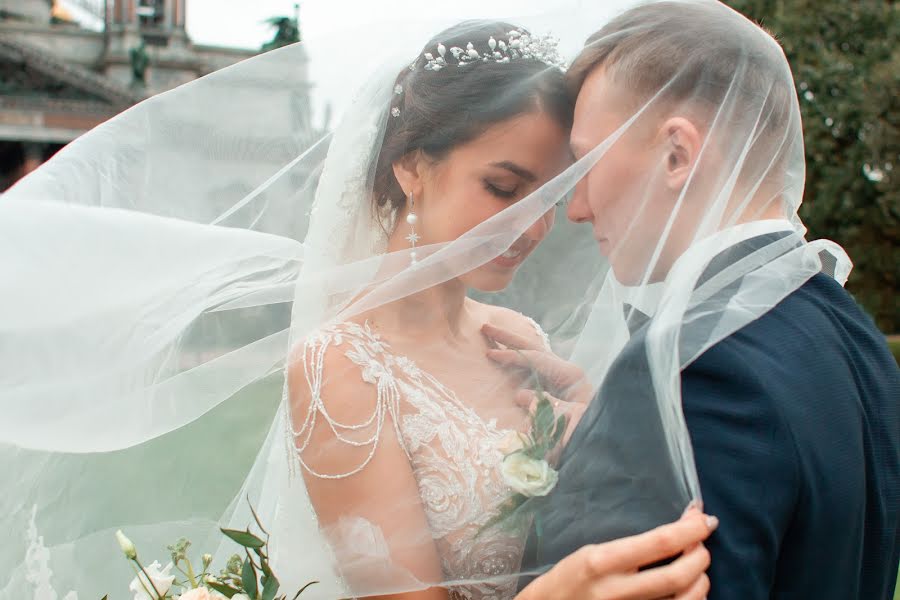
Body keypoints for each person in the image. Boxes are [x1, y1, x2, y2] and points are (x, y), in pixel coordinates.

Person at [0, 10, 714, 599]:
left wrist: (587, 426)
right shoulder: (340, 366)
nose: (531, 227)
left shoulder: (517, 334)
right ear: (412, 166)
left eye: (550, 197)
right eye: (503, 188)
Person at [485, 2, 900, 599]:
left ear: (677, 155)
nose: (574, 210)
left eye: (586, 164)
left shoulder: (697, 371)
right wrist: (605, 425)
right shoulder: (852, 332)